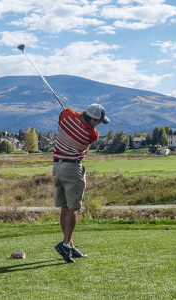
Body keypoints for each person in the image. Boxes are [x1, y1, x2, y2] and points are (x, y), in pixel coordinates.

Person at [53, 103, 110, 263]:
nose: (99, 124)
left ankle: (69, 245)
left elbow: (69, 114)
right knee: (74, 208)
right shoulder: (92, 134)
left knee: (65, 206)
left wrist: (76, 117)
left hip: (57, 166)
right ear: (92, 119)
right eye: (98, 121)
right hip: (72, 168)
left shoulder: (66, 115)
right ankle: (65, 244)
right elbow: (93, 132)